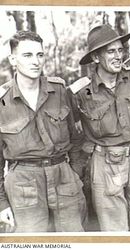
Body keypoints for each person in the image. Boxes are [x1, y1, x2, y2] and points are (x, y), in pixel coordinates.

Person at [68, 24, 130, 231]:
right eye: (111, 51)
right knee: (113, 231)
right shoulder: (81, 92)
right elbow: (70, 130)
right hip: (105, 165)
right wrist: (83, 157)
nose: (118, 56)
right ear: (95, 58)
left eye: (120, 50)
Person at [0, 31, 87, 232]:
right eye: (27, 55)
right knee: (31, 242)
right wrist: (1, 203)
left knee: (74, 239)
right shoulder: (2, 101)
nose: (35, 61)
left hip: (64, 177)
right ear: (13, 59)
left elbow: (76, 137)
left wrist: (74, 173)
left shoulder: (59, 91)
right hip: (24, 183)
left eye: (39, 55)